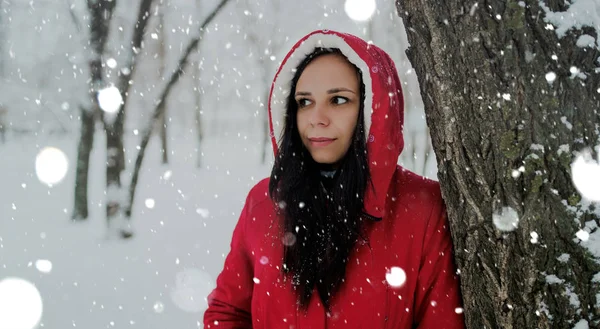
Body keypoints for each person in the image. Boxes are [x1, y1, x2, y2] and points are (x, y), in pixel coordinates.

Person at [203, 30, 465, 329]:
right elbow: (227, 313)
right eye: (304, 102)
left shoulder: (423, 207)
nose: (317, 117)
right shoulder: (264, 202)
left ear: (374, 109)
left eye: (338, 100)